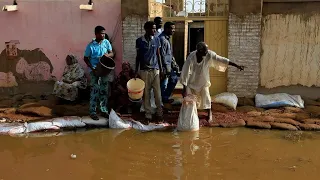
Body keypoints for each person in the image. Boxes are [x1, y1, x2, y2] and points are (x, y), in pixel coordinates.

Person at [180, 42, 245, 122]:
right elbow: (185, 71)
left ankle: (209, 113)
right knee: (191, 98)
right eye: (204, 51)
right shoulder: (191, 57)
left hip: (203, 81)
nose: (206, 53)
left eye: (207, 51)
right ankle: (193, 114)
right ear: (199, 51)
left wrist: (237, 65)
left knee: (206, 97)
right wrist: (184, 87)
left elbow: (221, 59)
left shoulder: (209, 54)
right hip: (192, 81)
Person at [84, 25, 114, 120]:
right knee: (94, 91)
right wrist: (92, 68)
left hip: (104, 70)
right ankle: (92, 112)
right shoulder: (90, 46)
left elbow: (112, 53)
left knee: (104, 91)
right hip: (95, 70)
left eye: (104, 33)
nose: (103, 35)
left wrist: (108, 55)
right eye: (101, 33)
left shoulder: (106, 42)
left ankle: (103, 110)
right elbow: (85, 58)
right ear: (96, 34)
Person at [135, 21, 163, 121]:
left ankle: (159, 112)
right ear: (146, 29)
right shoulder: (139, 41)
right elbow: (138, 57)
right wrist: (136, 71)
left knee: (158, 94)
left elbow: (158, 55)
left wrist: (161, 69)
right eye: (152, 28)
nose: (154, 30)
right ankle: (148, 114)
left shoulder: (157, 39)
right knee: (146, 93)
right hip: (144, 71)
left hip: (155, 70)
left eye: (155, 28)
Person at [159, 21, 178, 104]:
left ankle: (164, 98)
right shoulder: (162, 39)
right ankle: (163, 100)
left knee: (173, 80)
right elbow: (161, 55)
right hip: (164, 67)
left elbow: (170, 53)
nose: (173, 30)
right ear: (166, 29)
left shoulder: (167, 38)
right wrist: (165, 69)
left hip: (169, 65)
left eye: (174, 29)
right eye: (172, 28)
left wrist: (174, 64)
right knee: (164, 84)